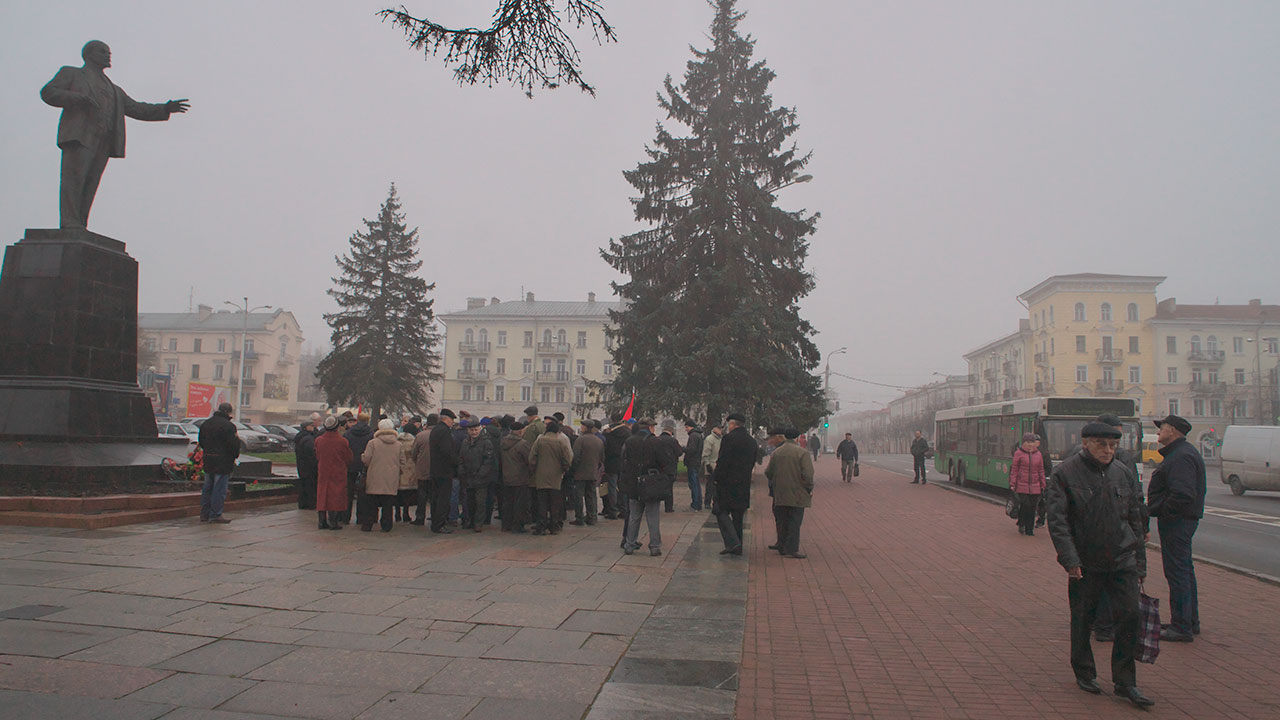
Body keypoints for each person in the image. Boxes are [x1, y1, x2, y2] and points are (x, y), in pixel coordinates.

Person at [1045, 422, 1153, 708]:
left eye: (1113, 446)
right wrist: (1070, 559)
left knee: (1130, 617)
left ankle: (1125, 681)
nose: (1108, 451)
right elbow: (1058, 522)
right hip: (1086, 562)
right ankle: (1084, 672)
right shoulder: (1065, 473)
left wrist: (1139, 563)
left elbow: (1134, 519)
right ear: (1086, 443)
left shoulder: (1123, 473)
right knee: (1083, 618)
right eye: (1102, 445)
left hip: (1122, 559)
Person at [40, 41, 189, 229]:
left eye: (108, 52)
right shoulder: (72, 73)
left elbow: (136, 108)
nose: (108, 55)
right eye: (103, 51)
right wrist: (76, 98)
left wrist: (165, 108)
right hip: (79, 136)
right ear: (88, 54)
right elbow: (48, 92)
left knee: (91, 184)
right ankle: (69, 223)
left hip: (103, 140)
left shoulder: (114, 90)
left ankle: (80, 225)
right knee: (74, 180)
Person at [1147, 414, 1206, 642]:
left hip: (1177, 521)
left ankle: (1182, 627)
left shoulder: (1180, 456)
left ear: (1172, 430)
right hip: (1181, 520)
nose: (1159, 431)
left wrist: (1161, 510)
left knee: (1177, 572)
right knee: (1184, 570)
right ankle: (1189, 621)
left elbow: (1182, 494)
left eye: (1161, 427)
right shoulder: (1181, 453)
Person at [767, 428, 814, 559]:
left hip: (780, 492)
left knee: (782, 520)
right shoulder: (802, 453)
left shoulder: (777, 452)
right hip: (798, 493)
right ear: (797, 438)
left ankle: (781, 545)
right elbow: (808, 474)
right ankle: (791, 549)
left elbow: (769, 472)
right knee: (794, 521)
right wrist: (808, 488)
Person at [714, 413, 756, 554]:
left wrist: (716, 477)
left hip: (727, 483)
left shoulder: (728, 439)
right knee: (738, 517)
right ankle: (737, 546)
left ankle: (733, 542)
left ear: (733, 424)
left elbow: (723, 461)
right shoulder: (751, 441)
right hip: (743, 483)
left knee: (720, 511)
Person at [620, 419, 663, 556]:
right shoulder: (656, 441)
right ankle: (655, 546)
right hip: (651, 483)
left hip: (633, 483)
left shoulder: (630, 441)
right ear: (650, 427)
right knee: (653, 517)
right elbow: (663, 462)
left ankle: (629, 544)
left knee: (634, 516)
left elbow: (623, 461)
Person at [197, 402, 239, 524]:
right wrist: (234, 456)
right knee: (219, 488)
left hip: (208, 459)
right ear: (228, 412)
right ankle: (215, 514)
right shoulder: (229, 426)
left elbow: (201, 441)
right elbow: (233, 445)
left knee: (207, 487)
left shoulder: (206, 424)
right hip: (223, 460)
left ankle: (204, 514)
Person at [529, 420, 573, 535]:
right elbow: (567, 459)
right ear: (557, 431)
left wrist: (534, 470)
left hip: (541, 475)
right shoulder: (560, 442)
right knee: (555, 502)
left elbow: (532, 457)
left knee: (542, 502)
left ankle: (541, 526)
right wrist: (563, 469)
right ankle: (554, 526)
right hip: (556, 476)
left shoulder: (539, 441)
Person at [359, 419, 402, 532]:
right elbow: (402, 461)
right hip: (391, 477)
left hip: (375, 476)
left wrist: (363, 457)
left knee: (371, 502)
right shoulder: (398, 444)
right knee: (388, 503)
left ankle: (368, 524)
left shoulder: (373, 443)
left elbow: (366, 459)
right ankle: (387, 525)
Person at [455, 420, 496, 532]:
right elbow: (461, 458)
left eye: (476, 430)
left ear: (480, 429)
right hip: (468, 476)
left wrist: (481, 473)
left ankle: (478, 523)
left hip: (481, 478)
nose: (474, 432)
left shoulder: (486, 442)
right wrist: (462, 471)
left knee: (480, 502)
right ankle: (471, 521)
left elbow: (488, 460)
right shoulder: (465, 442)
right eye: (471, 430)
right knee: (470, 501)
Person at [314, 415, 352, 530]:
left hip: (323, 471)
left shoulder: (319, 440)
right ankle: (333, 521)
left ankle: (321, 521)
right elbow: (348, 458)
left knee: (322, 495)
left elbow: (317, 455)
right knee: (335, 496)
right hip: (338, 472)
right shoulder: (342, 441)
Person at [428, 409, 460, 533]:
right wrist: (457, 462)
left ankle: (436, 523)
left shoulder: (436, 430)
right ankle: (439, 524)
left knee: (436, 497)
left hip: (435, 469)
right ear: (447, 419)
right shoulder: (444, 431)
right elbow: (447, 452)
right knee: (443, 498)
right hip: (444, 470)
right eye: (452, 420)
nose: (452, 422)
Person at [1009, 432, 1046, 536]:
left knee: (1033, 507)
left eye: (1032, 442)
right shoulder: (1018, 453)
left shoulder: (1038, 454)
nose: (1030, 445)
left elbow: (1041, 470)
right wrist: (1013, 483)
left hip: (1035, 486)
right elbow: (1014, 469)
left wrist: (1043, 483)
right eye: (1028, 442)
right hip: (1022, 484)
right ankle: (1022, 524)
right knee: (1025, 505)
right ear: (1023, 443)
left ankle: (1029, 530)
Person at [500, 420, 533, 532]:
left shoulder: (503, 441)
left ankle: (506, 525)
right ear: (520, 431)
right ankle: (518, 525)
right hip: (520, 478)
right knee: (520, 503)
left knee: (508, 502)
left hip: (506, 476)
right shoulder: (523, 444)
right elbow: (530, 460)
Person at [571, 419, 605, 525]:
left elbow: (576, 457)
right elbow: (602, 458)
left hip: (580, 473)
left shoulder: (580, 440)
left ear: (585, 428)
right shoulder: (598, 441)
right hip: (593, 473)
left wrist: (573, 469)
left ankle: (579, 518)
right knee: (591, 495)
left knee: (579, 496)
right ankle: (592, 517)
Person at [343, 413, 374, 524]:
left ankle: (345, 517)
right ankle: (361, 517)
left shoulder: (348, 433)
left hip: (350, 465)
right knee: (363, 492)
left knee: (348, 492)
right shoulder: (371, 434)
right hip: (364, 465)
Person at [603, 416, 631, 526]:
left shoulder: (609, 433)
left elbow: (607, 448)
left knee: (612, 487)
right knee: (622, 487)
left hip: (611, 463)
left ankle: (613, 510)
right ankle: (623, 509)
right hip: (623, 463)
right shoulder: (627, 433)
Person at [409, 414, 436, 525]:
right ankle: (435, 516)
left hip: (422, 469)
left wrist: (418, 462)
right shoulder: (440, 434)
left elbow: (413, 453)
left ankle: (420, 517)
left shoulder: (420, 435)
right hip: (436, 470)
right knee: (434, 495)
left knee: (422, 495)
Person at [655, 420, 683, 513]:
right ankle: (669, 507)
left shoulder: (657, 440)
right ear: (671, 432)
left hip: (659, 467)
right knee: (669, 487)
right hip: (670, 467)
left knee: (657, 486)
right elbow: (679, 452)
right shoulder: (673, 440)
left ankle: (655, 505)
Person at [294, 415, 319, 510]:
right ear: (306, 427)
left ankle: (303, 503)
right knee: (310, 485)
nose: (313, 428)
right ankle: (310, 504)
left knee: (304, 484)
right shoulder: (308, 438)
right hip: (309, 466)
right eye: (311, 426)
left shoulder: (300, 436)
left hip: (301, 465)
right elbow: (311, 453)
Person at [395, 424, 416, 522]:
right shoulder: (413, 442)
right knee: (407, 494)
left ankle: (397, 513)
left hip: (398, 469)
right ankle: (406, 513)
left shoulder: (397, 441)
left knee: (397, 493)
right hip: (409, 470)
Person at [682, 421, 705, 511]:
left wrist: (683, 448)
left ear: (691, 427)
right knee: (696, 483)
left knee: (694, 484)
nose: (686, 429)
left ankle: (695, 504)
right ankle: (697, 503)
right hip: (696, 462)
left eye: (687, 427)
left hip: (692, 462)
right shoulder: (698, 435)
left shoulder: (693, 436)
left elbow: (691, 449)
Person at [702, 423, 723, 511]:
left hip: (718, 465)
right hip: (711, 464)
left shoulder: (721, 439)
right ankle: (707, 502)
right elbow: (706, 453)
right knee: (710, 485)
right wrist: (707, 464)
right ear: (715, 429)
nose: (721, 430)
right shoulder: (710, 439)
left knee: (717, 486)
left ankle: (716, 501)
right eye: (719, 428)